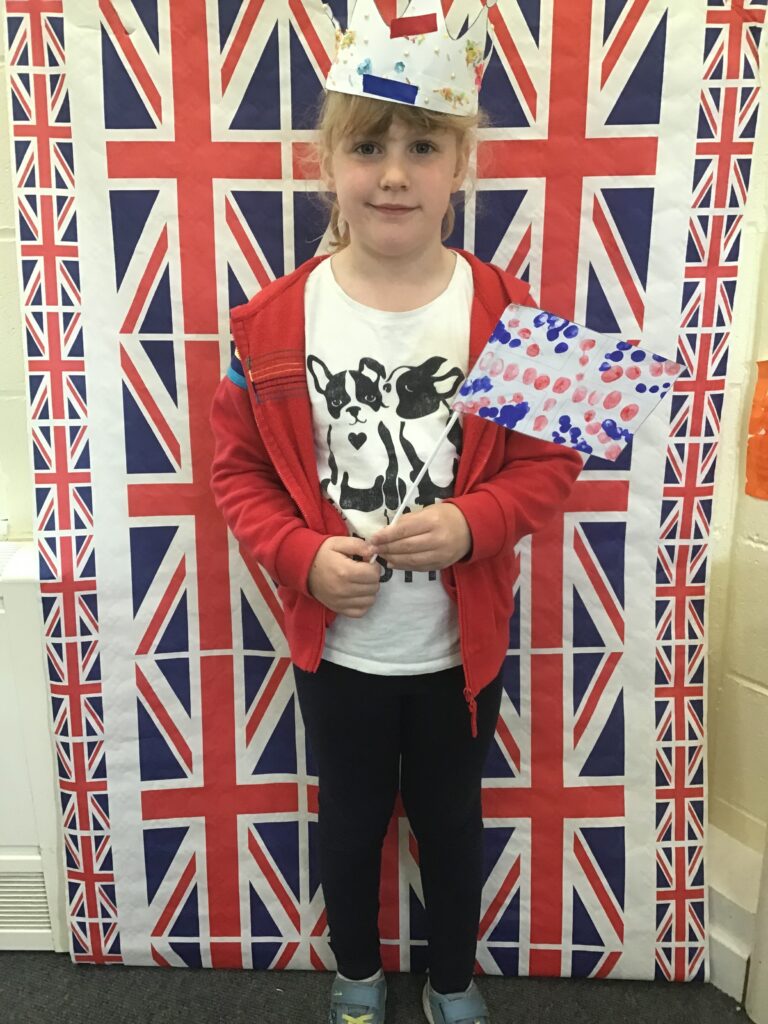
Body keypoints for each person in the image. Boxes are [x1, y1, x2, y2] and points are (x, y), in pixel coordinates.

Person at [209, 4, 583, 1022]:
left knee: (454, 823)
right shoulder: (271, 321)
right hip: (339, 649)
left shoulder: (511, 310)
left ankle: (452, 978)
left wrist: (473, 523)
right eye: (367, 147)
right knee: (350, 823)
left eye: (423, 148)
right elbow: (237, 472)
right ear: (326, 163)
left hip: (462, 650)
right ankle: (358, 975)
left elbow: (553, 462)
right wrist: (299, 554)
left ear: (461, 165)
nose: (393, 175)